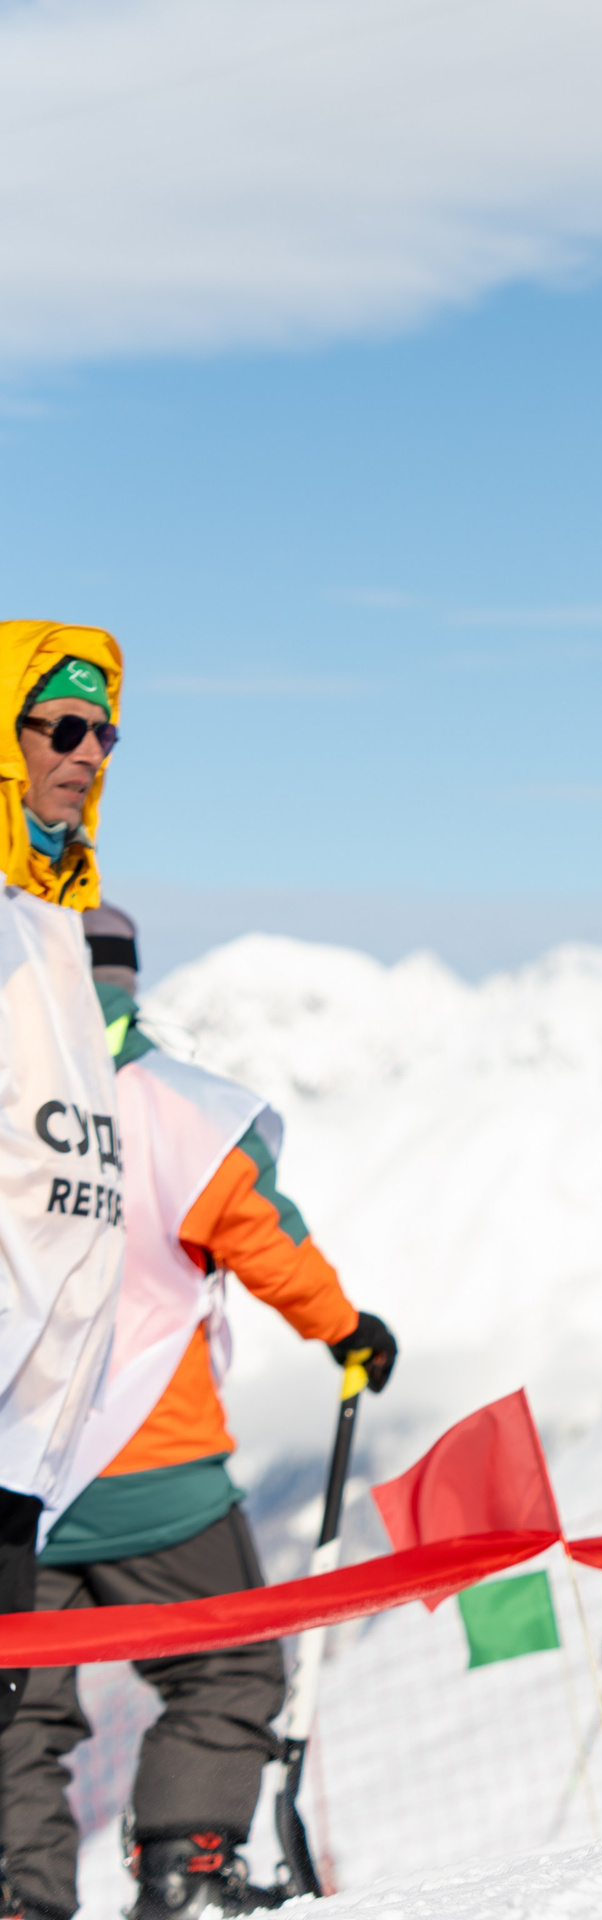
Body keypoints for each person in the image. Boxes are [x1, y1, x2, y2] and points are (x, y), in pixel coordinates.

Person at [0, 902, 398, 1920]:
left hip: (13, 1478)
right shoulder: (175, 1105)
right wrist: (348, 1329)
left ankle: (18, 1893)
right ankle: (188, 1872)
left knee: (16, 1701)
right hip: (153, 1465)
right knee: (225, 1670)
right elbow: (266, 1242)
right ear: (128, 979)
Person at [0, 626, 133, 1787]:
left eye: (105, 732)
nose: (89, 753)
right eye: (61, 726)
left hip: (29, 1434)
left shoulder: (56, 926)